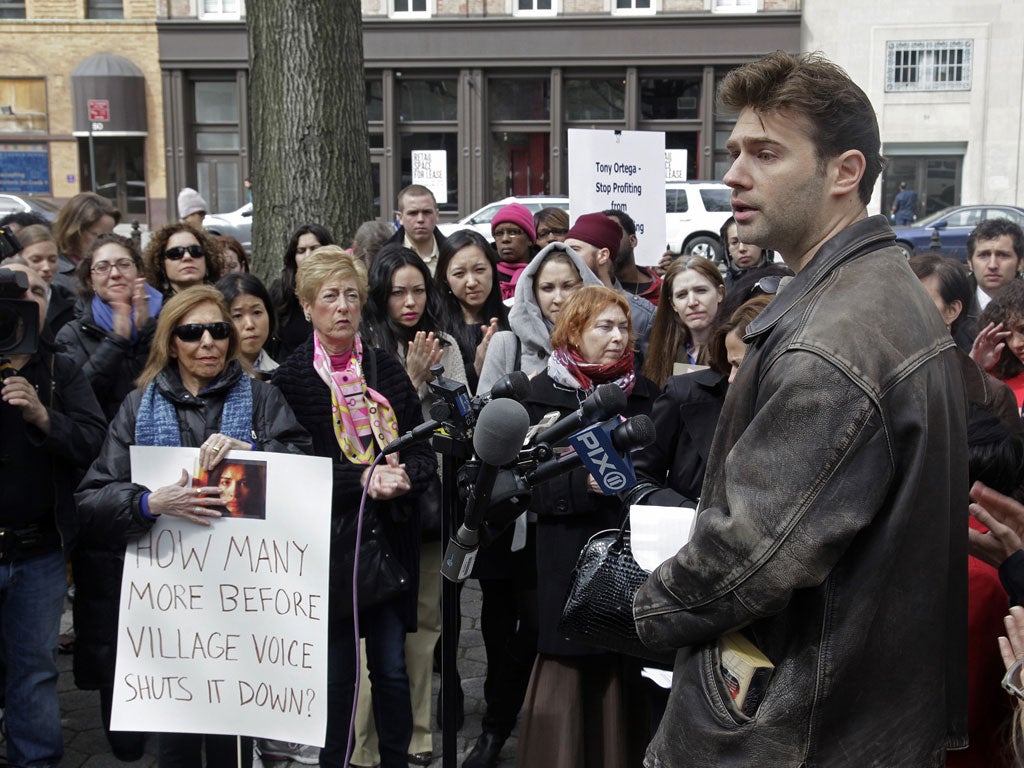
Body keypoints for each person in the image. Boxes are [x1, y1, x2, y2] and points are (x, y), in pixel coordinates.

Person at [634, 51, 968, 766]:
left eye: (765, 153)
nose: (733, 174)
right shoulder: (869, 292)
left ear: (845, 172)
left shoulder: (835, 338)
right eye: (733, 152)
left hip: (799, 735)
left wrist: (643, 607)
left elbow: (748, 561)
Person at [75, 284, 311, 768]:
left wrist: (254, 456)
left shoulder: (263, 399)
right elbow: (90, 501)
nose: (208, 342)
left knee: (236, 744)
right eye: (192, 331)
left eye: (218, 330)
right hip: (171, 614)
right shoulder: (138, 406)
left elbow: (306, 474)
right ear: (171, 341)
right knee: (176, 744)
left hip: (246, 607)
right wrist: (147, 502)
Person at [271, 247, 436, 768]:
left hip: (388, 542)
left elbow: (422, 451)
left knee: (390, 669)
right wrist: (362, 478)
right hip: (327, 549)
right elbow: (292, 469)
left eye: (351, 296)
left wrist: (403, 477)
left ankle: (395, 758)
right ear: (305, 306)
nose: (342, 307)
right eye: (329, 297)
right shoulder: (291, 380)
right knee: (336, 674)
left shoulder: (384, 369)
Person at [465, 242, 600, 768]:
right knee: (502, 626)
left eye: (569, 284)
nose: (559, 296)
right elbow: (484, 428)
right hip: (510, 516)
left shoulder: (598, 343)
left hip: (564, 518)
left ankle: (513, 723)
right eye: (548, 286)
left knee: (534, 624)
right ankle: (497, 724)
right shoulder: (505, 344)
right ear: (530, 291)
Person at [515, 285, 658, 768]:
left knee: (626, 673)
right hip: (566, 556)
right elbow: (520, 485)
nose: (618, 337)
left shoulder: (648, 395)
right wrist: (582, 488)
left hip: (632, 560)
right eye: (604, 326)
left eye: (624, 328)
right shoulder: (541, 395)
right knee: (571, 673)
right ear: (574, 332)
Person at [356, 244, 467, 767]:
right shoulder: (362, 349)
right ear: (379, 295)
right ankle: (365, 742)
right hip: (374, 512)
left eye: (418, 289)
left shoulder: (444, 342)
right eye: (397, 291)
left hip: (428, 504)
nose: (409, 301)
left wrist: (432, 385)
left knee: (425, 627)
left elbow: (456, 426)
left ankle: (420, 733)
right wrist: (411, 382)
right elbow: (367, 437)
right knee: (369, 636)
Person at [0, 262, 106, 768]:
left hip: (38, 549)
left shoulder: (61, 368)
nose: (25, 302)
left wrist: (44, 416)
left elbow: (94, 442)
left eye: (38, 291)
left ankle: (36, 761)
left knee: (35, 668)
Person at [57, 233, 162, 421]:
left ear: (139, 272)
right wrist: (117, 340)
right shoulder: (72, 333)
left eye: (124, 264)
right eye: (102, 267)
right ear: (91, 281)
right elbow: (75, 396)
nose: (115, 274)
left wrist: (147, 329)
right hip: (104, 439)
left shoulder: (166, 319)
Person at [909, 253, 1019, 430]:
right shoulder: (879, 382)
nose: (907, 311)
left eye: (920, 300)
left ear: (952, 310)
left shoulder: (992, 396)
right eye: (901, 301)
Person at [564, 212, 655, 355]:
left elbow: (652, 373)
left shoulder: (641, 316)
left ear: (603, 255)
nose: (566, 257)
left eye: (575, 250)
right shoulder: (560, 304)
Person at [435, 229, 509, 394]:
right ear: (445, 279)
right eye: (459, 274)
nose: (471, 282)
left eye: (480, 270)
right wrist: (476, 367)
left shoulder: (514, 319)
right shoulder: (437, 331)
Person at [642, 256, 725, 389]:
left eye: (701, 290)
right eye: (682, 295)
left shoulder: (734, 350)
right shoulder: (663, 351)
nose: (692, 302)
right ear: (673, 304)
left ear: (720, 293)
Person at [268, 223, 335, 363]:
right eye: (301, 250)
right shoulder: (281, 291)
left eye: (314, 248)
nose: (308, 255)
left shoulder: (340, 289)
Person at [960, 219, 1024, 351]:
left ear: (1020, 263)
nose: (993, 265)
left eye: (1003, 255)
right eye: (984, 255)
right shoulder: (955, 306)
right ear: (970, 262)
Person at [970, 281, 1024, 411]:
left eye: (1023, 330)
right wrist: (974, 368)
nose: (1016, 344)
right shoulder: (995, 386)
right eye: (1007, 334)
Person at [15, 223, 77, 335]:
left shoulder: (71, 305)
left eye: (52, 260)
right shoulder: (5, 300)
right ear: (18, 259)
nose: (46, 268)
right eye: (36, 260)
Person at [52, 191, 120, 290]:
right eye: (97, 235)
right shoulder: (54, 272)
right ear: (74, 232)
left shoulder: (115, 266)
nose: (106, 242)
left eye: (110, 235)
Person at [216, 272, 279, 379]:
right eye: (237, 315)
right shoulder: (209, 376)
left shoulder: (282, 375)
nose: (249, 324)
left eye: (257, 312)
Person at [143, 222, 224, 300]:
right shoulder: (153, 310)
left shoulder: (226, 303)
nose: (187, 257)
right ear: (161, 264)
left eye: (195, 251)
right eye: (175, 253)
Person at [604, 208, 662, 306]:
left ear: (633, 241)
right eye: (599, 236)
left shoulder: (663, 291)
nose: (606, 240)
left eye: (613, 232)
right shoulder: (593, 291)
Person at [385, 185, 446, 275]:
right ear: (400, 218)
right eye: (413, 213)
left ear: (436, 215)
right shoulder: (385, 257)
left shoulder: (454, 253)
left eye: (426, 212)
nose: (420, 219)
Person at [490, 203, 537, 300]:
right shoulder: (488, 271)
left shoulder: (543, 269)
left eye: (513, 232)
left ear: (529, 239)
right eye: (499, 233)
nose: (505, 239)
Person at [719, 214, 772, 289]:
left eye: (748, 240)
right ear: (727, 249)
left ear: (762, 243)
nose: (742, 248)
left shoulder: (781, 281)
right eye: (734, 242)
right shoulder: (720, 289)